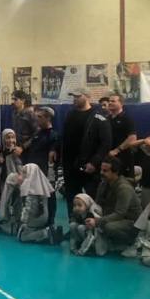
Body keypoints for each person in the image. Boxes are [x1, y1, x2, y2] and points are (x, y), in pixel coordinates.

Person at [62, 88, 111, 218]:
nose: (75, 99)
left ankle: (92, 224)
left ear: (87, 97)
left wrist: (94, 162)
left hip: (89, 166)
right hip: (70, 165)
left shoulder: (99, 118)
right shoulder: (70, 115)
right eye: (73, 96)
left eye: (78, 96)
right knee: (72, 198)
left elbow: (105, 144)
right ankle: (74, 223)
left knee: (92, 198)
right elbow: (64, 137)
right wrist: (55, 151)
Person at [92, 156, 141, 252]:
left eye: (105, 171)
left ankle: (130, 242)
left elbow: (120, 213)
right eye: (101, 170)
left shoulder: (123, 188)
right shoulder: (104, 184)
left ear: (115, 172)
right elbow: (97, 204)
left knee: (108, 227)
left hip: (130, 221)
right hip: (113, 216)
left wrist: (98, 221)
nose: (101, 173)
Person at [22, 107, 60, 223]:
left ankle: (50, 220)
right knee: (33, 194)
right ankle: (35, 219)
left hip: (45, 171)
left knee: (49, 194)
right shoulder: (37, 133)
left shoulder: (53, 135)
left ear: (48, 118)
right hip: (33, 170)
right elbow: (27, 147)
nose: (37, 119)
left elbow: (53, 155)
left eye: (40, 117)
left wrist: (50, 173)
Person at [16, 164, 63, 244]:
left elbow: (29, 209)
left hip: (35, 219)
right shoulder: (45, 185)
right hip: (45, 218)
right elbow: (52, 207)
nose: (22, 175)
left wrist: (23, 221)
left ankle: (46, 233)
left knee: (22, 236)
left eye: (24, 173)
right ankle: (47, 230)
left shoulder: (30, 189)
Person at [106, 93, 136, 179]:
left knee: (124, 182)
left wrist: (117, 150)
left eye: (113, 101)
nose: (110, 103)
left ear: (121, 103)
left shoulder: (127, 119)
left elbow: (132, 138)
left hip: (123, 158)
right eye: (109, 101)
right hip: (109, 158)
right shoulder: (107, 119)